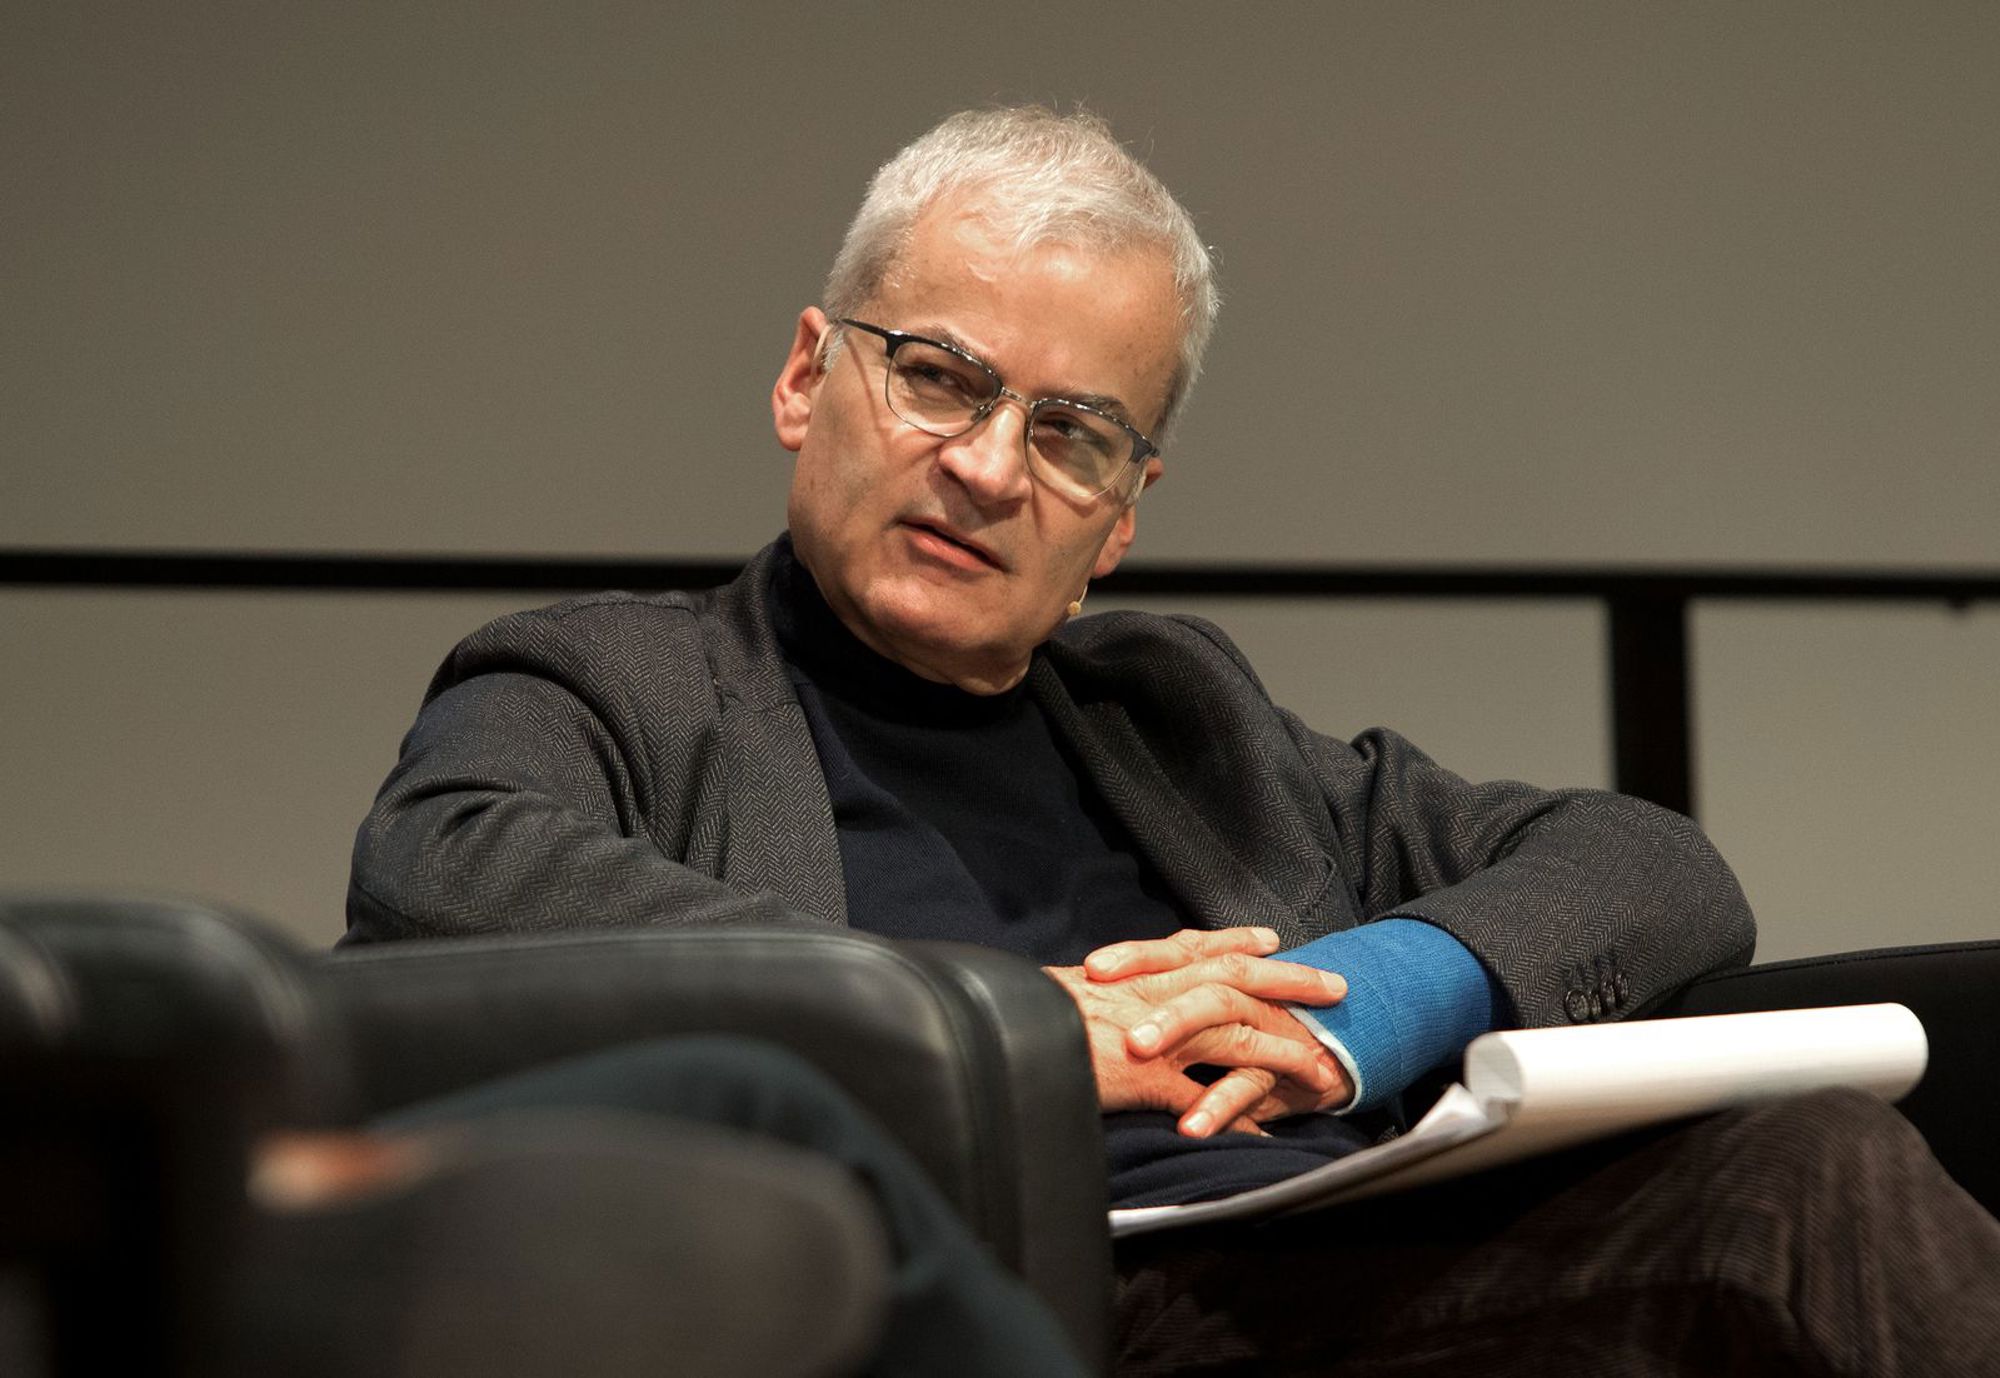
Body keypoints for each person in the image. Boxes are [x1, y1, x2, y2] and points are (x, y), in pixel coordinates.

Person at [346, 107, 2000, 1375]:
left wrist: (1366, 1005)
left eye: (1072, 433)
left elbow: (1651, 863)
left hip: (1338, 1268)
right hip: (966, 1303)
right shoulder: (610, 684)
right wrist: (1004, 1030)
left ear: (1122, 519)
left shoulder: (1181, 713)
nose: (989, 466)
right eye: (941, 378)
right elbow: (445, 883)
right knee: (1811, 1187)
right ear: (804, 377)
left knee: (1834, 1141)